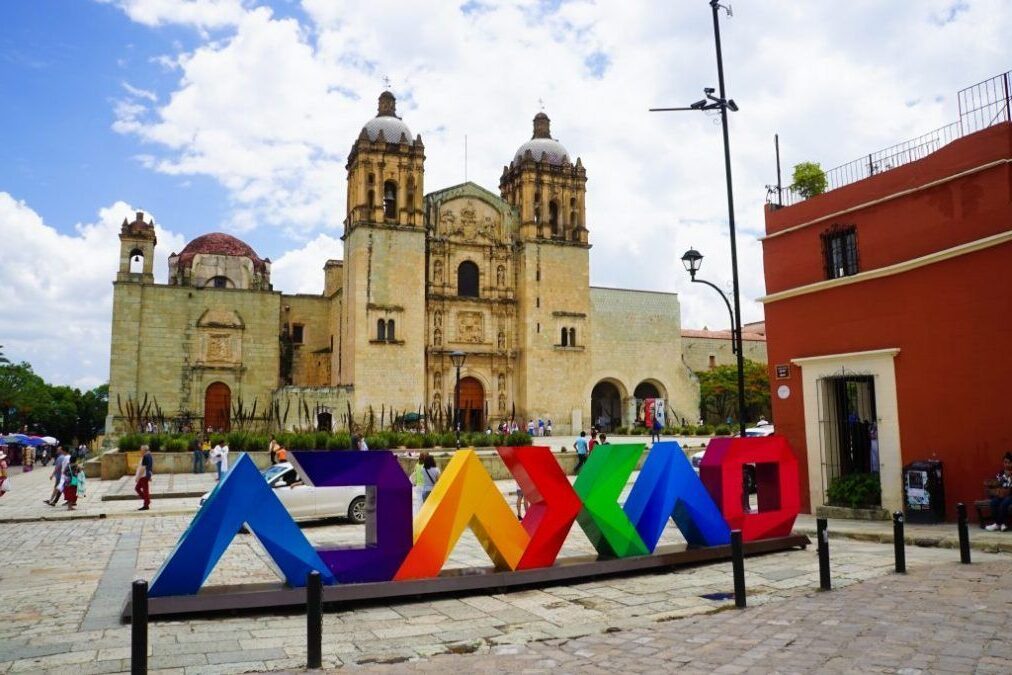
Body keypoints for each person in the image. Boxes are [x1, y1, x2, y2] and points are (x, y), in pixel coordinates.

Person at [984, 452, 1012, 532]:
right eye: (1005, 462)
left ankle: (997, 524)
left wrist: (1009, 476)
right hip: (1002, 494)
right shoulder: (1001, 473)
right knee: (994, 502)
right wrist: (1004, 476)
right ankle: (1002, 524)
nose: (1007, 464)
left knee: (1004, 503)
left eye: (1009, 462)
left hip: (1010, 495)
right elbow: (997, 483)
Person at [135, 445, 152, 511]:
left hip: (143, 476)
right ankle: (147, 501)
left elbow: (143, 468)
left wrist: (138, 477)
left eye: (141, 449)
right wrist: (150, 475)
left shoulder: (145, 456)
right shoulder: (149, 455)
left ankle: (146, 504)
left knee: (145, 491)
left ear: (144, 450)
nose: (140, 451)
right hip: (145, 475)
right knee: (137, 488)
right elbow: (150, 466)